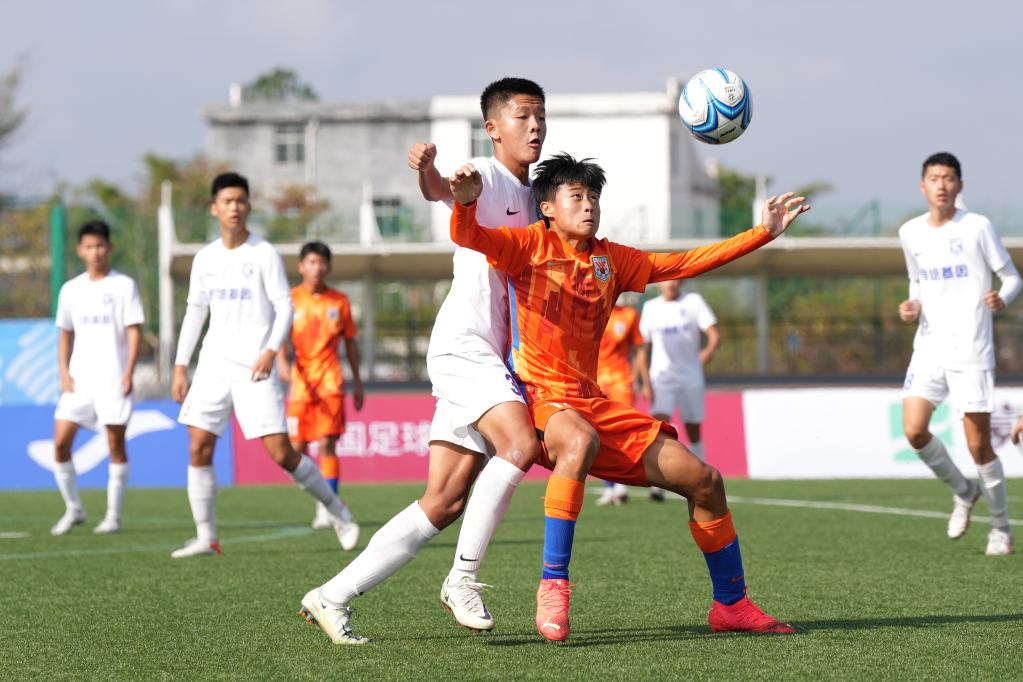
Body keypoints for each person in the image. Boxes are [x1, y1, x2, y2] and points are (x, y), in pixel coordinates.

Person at [448, 153, 807, 641]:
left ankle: (731, 604)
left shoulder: (610, 259)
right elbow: (468, 236)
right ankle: (553, 584)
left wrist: (761, 233)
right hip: (540, 398)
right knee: (577, 440)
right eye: (577, 196)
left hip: (593, 404)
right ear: (547, 207)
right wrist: (465, 203)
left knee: (705, 481)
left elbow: (683, 263)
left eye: (594, 196)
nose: (589, 205)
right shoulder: (527, 245)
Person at [299, 78, 546, 644]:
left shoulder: (537, 197)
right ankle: (463, 579)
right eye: (522, 116)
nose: (534, 126)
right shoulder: (485, 176)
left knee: (444, 501)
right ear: (493, 128)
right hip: (465, 346)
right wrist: (431, 173)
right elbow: (445, 190)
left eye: (540, 116)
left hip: (493, 357)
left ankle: (331, 596)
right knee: (520, 445)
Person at [171, 172, 358, 558]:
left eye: (240, 201)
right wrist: (179, 365)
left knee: (281, 453)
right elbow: (194, 313)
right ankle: (206, 537)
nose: (234, 207)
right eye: (227, 201)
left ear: (249, 206)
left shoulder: (263, 253)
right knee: (199, 447)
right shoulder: (205, 258)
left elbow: (283, 306)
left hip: (255, 367)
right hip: (212, 366)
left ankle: (337, 510)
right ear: (214, 208)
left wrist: (271, 350)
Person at [898, 152, 1019, 556]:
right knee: (914, 430)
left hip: (972, 349)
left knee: (978, 446)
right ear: (923, 186)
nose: (942, 185)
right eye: (935, 178)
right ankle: (963, 490)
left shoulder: (977, 227)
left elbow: (1012, 277)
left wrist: (1001, 298)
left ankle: (1000, 528)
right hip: (929, 347)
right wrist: (912, 305)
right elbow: (916, 281)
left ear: (960, 186)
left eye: (949, 178)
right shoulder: (910, 232)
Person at [50, 221, 144, 536]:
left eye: (100, 246)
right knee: (60, 444)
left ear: (109, 248)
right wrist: (64, 372)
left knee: (115, 445)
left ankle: (113, 516)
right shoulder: (71, 289)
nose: (95, 252)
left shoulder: (124, 286)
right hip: (79, 382)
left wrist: (128, 371)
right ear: (80, 250)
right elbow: (65, 333)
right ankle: (74, 508)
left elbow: (134, 331)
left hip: (113, 380)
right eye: (89, 247)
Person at [276, 241, 364, 531]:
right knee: (295, 449)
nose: (316, 268)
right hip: (301, 385)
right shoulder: (290, 300)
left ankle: (328, 506)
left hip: (330, 383)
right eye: (311, 262)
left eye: (321, 263)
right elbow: (279, 335)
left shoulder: (339, 301)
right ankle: (323, 495)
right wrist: (281, 361)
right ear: (301, 267)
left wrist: (358, 382)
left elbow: (350, 342)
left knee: (327, 443)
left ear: (328, 267)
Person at [639, 279, 720, 501]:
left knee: (693, 429)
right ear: (659, 285)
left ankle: (703, 477)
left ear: (681, 281)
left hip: (690, 378)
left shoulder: (694, 302)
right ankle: (658, 484)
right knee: (659, 428)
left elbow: (714, 333)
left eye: (675, 280)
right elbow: (643, 348)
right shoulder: (650, 308)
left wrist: (709, 351)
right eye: (666, 281)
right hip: (661, 378)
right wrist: (645, 382)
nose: (671, 284)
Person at [594, 301, 648, 506]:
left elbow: (639, 349)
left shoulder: (629, 315)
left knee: (623, 432)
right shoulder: (591, 309)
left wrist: (643, 381)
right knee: (598, 434)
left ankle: (621, 484)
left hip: (621, 381)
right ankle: (609, 487)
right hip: (595, 381)